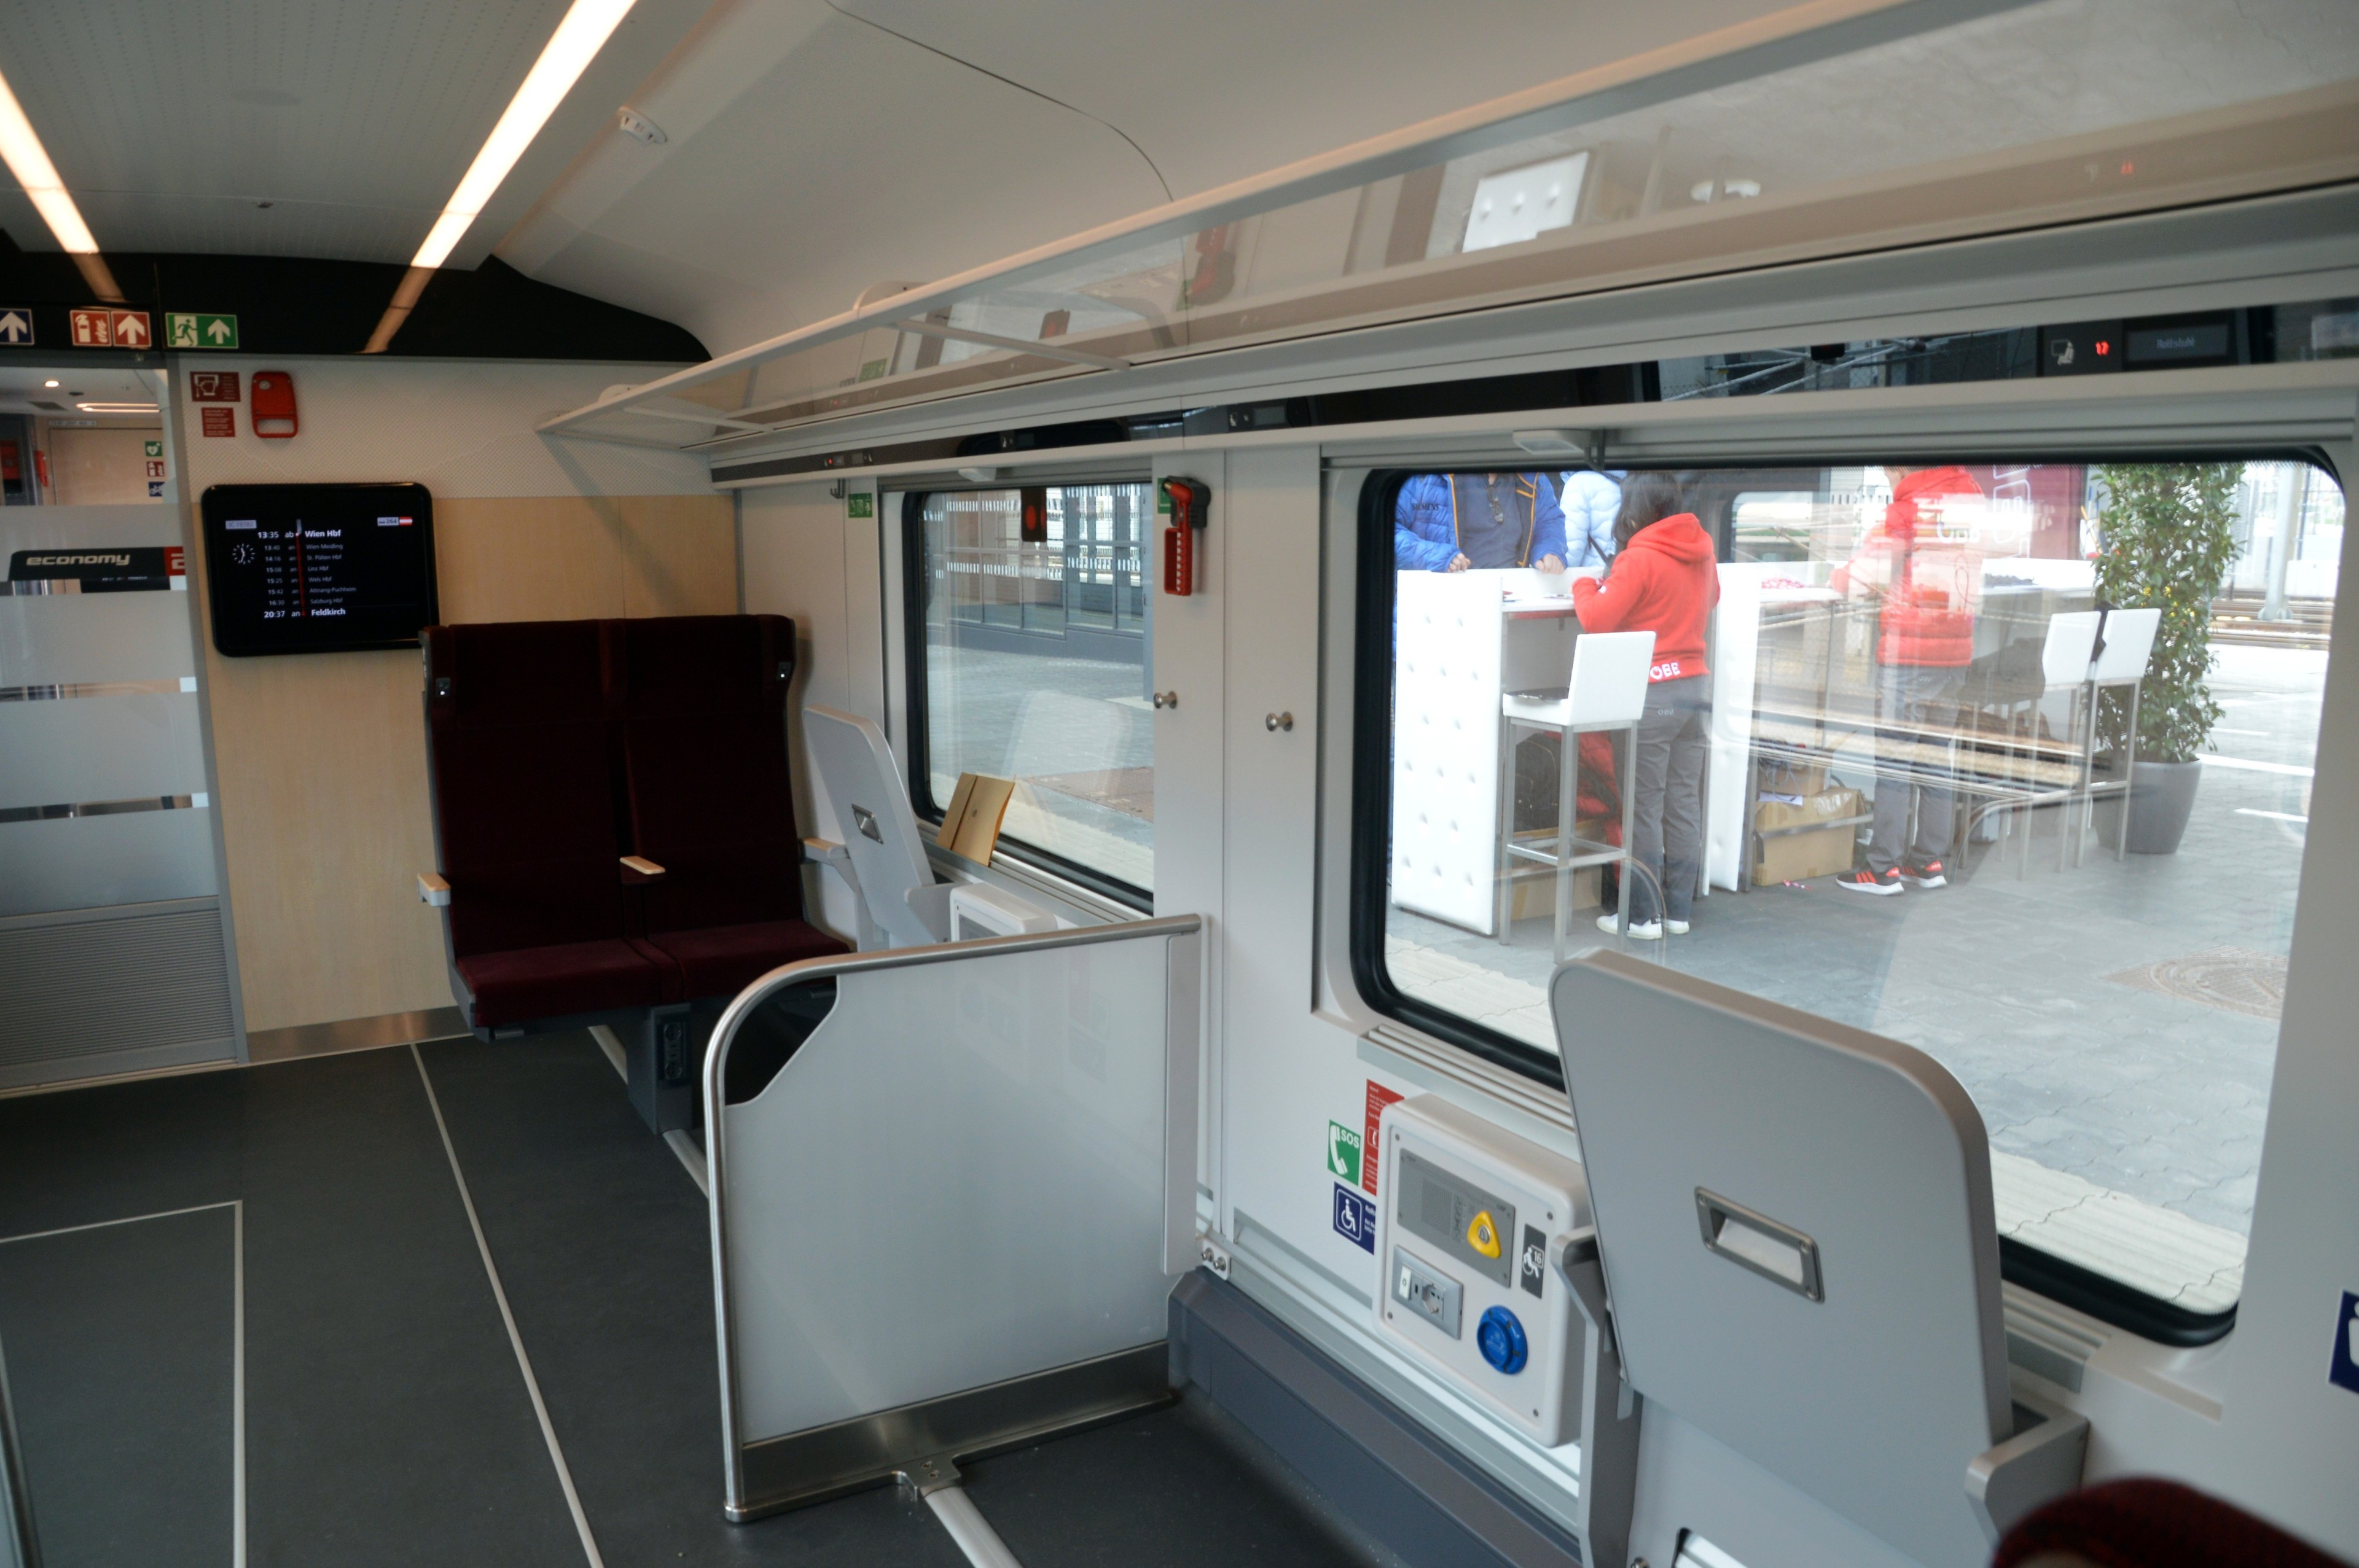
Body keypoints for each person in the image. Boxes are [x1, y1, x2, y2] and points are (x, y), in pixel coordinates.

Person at [1569, 473, 1719, 939]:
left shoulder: (1638, 557)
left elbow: (1596, 620)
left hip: (1652, 693)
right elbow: (1714, 597)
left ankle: (1641, 916)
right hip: (1696, 689)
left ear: (1634, 508)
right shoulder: (1703, 548)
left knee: (1643, 807)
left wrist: (1584, 586)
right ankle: (1677, 912)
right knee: (1683, 802)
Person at [1831, 464, 1987, 895]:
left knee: (1895, 760)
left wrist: (1838, 576)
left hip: (1910, 655)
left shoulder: (1907, 509)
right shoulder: (1970, 502)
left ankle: (1882, 868)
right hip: (1955, 655)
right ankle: (1928, 861)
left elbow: (1863, 577)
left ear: (1901, 468)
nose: (1889, 482)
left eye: (1888, 475)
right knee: (1936, 759)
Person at [1394, 472, 1568, 572]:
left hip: (1507, 605)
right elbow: (1386, 534)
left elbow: (1550, 519)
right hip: (1437, 608)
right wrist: (1433, 556)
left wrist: (1550, 549)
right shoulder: (1424, 476)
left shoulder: (1532, 477)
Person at [1557, 469, 1624, 568]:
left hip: (1592, 575)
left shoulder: (1578, 483)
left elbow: (1571, 549)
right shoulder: (1633, 481)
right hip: (1624, 571)